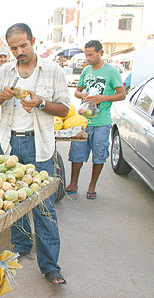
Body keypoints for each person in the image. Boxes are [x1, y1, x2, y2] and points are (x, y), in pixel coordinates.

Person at [0, 23, 70, 286]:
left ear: (33, 41)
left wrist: (41, 103)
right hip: (11, 145)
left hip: (40, 145)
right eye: (13, 48)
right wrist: (1, 96)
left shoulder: (53, 71)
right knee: (15, 201)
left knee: (43, 208)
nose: (19, 51)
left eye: (23, 45)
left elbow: (65, 109)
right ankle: (21, 245)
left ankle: (51, 266)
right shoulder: (4, 72)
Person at [65, 40, 125, 200]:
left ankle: (92, 186)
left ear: (100, 53)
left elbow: (122, 94)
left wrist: (102, 98)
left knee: (99, 155)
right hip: (83, 121)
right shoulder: (86, 70)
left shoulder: (111, 71)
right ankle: (73, 184)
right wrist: (82, 95)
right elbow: (77, 91)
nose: (88, 58)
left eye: (91, 54)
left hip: (102, 123)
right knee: (76, 154)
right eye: (86, 54)